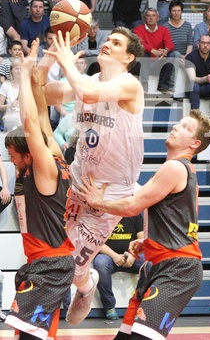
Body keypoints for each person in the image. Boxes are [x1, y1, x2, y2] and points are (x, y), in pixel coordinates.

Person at [39, 27, 145, 325]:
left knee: (73, 267)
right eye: (108, 39)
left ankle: (86, 286)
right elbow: (44, 94)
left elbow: (87, 93)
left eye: (116, 42)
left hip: (109, 193)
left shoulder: (129, 84)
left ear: (129, 57)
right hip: (77, 177)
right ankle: (81, 284)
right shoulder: (91, 79)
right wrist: (49, 60)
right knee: (55, 254)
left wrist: (66, 63)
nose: (108, 44)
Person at [77, 110, 210, 340]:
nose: (177, 126)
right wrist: (148, 240)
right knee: (126, 337)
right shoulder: (179, 169)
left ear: (194, 143)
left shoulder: (175, 168)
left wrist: (98, 202)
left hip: (177, 268)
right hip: (159, 265)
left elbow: (133, 206)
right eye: (179, 123)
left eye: (186, 127)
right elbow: (177, 217)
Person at [3, 38, 74, 339]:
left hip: (50, 262)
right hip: (45, 262)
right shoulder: (54, 155)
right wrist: (41, 68)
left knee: (30, 335)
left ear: (29, 155)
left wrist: (22, 72)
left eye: (14, 156)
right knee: (36, 334)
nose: (11, 161)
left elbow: (31, 123)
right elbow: (42, 113)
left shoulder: (44, 169)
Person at [92, 215, 144, 320]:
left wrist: (133, 255)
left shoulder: (135, 214)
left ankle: (137, 302)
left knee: (149, 264)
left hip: (131, 256)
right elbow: (97, 242)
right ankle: (109, 306)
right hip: (109, 257)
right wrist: (114, 256)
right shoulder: (101, 214)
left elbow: (142, 239)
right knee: (100, 263)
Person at [133, 8, 175, 93]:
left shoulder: (164, 30)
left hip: (158, 62)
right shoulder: (138, 30)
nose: (151, 18)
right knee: (143, 53)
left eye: (153, 15)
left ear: (157, 18)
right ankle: (144, 83)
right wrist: (153, 51)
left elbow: (170, 44)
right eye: (148, 16)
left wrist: (165, 51)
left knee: (173, 55)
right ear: (145, 18)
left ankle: (162, 85)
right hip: (142, 65)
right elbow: (140, 43)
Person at [0, 58, 22, 131]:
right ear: (11, 70)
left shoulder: (27, 86)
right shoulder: (6, 86)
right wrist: (10, 105)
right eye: (17, 69)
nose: (19, 71)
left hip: (24, 115)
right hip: (9, 116)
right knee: (20, 120)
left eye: (21, 69)